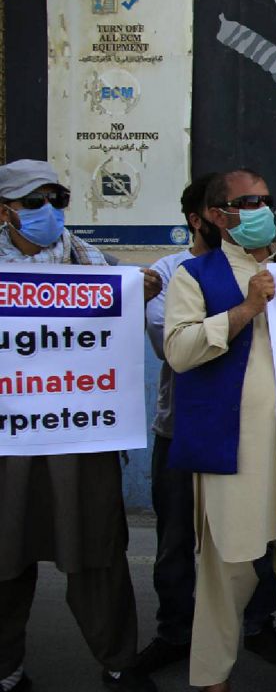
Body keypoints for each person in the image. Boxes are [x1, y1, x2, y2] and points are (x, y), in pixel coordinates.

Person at [0, 160, 157, 691]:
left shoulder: (91, 261)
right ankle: (4, 669)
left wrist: (145, 287)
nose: (48, 212)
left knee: (97, 550)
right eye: (33, 202)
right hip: (9, 440)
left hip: (80, 434)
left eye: (55, 199)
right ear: (6, 211)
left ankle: (118, 661)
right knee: (5, 553)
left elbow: (130, 308)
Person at [137, 175, 276, 675]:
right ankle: (211, 676)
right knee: (228, 570)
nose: (259, 209)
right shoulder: (194, 275)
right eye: (247, 202)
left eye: (265, 201)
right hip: (234, 449)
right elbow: (180, 351)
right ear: (218, 215)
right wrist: (246, 308)